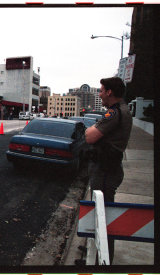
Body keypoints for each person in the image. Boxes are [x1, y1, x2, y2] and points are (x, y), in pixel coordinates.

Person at [85, 76, 132, 264]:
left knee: (103, 219)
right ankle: (98, 256)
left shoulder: (114, 113)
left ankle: (103, 261)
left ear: (109, 92)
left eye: (102, 90)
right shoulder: (122, 110)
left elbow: (89, 136)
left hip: (105, 170)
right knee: (102, 215)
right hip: (108, 168)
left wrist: (92, 128)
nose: (100, 93)